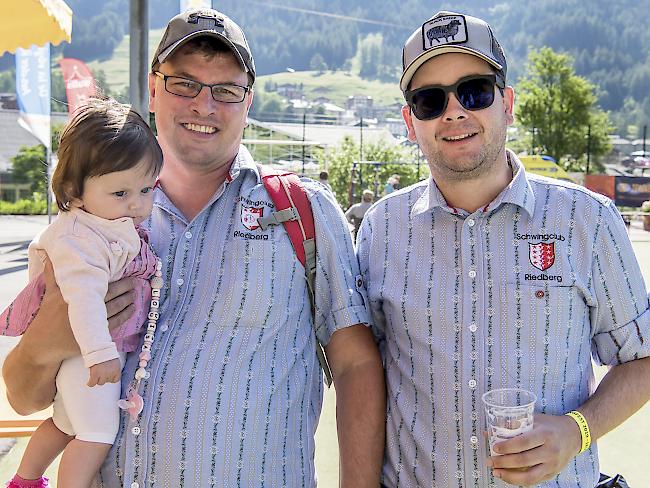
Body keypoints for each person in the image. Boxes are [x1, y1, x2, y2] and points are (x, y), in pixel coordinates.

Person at [2, 8, 385, 488]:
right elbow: (21, 396)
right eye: (184, 83)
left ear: (248, 102)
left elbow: (355, 364)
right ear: (152, 88)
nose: (204, 105)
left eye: (225, 90)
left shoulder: (302, 210)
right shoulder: (92, 223)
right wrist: (51, 339)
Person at [357, 10, 650, 488]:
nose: (454, 112)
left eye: (475, 91)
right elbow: (362, 373)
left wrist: (577, 431)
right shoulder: (380, 229)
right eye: (430, 101)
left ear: (507, 103)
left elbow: (642, 356)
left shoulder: (588, 221)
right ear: (411, 122)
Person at [0, 98, 162, 488]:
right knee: (96, 434)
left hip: (87, 353)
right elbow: (84, 298)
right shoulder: (81, 239)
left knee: (64, 421)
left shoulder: (101, 222)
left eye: (146, 188)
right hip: (88, 354)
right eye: (121, 193)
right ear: (73, 193)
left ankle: (24, 479)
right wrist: (100, 354)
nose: (138, 204)